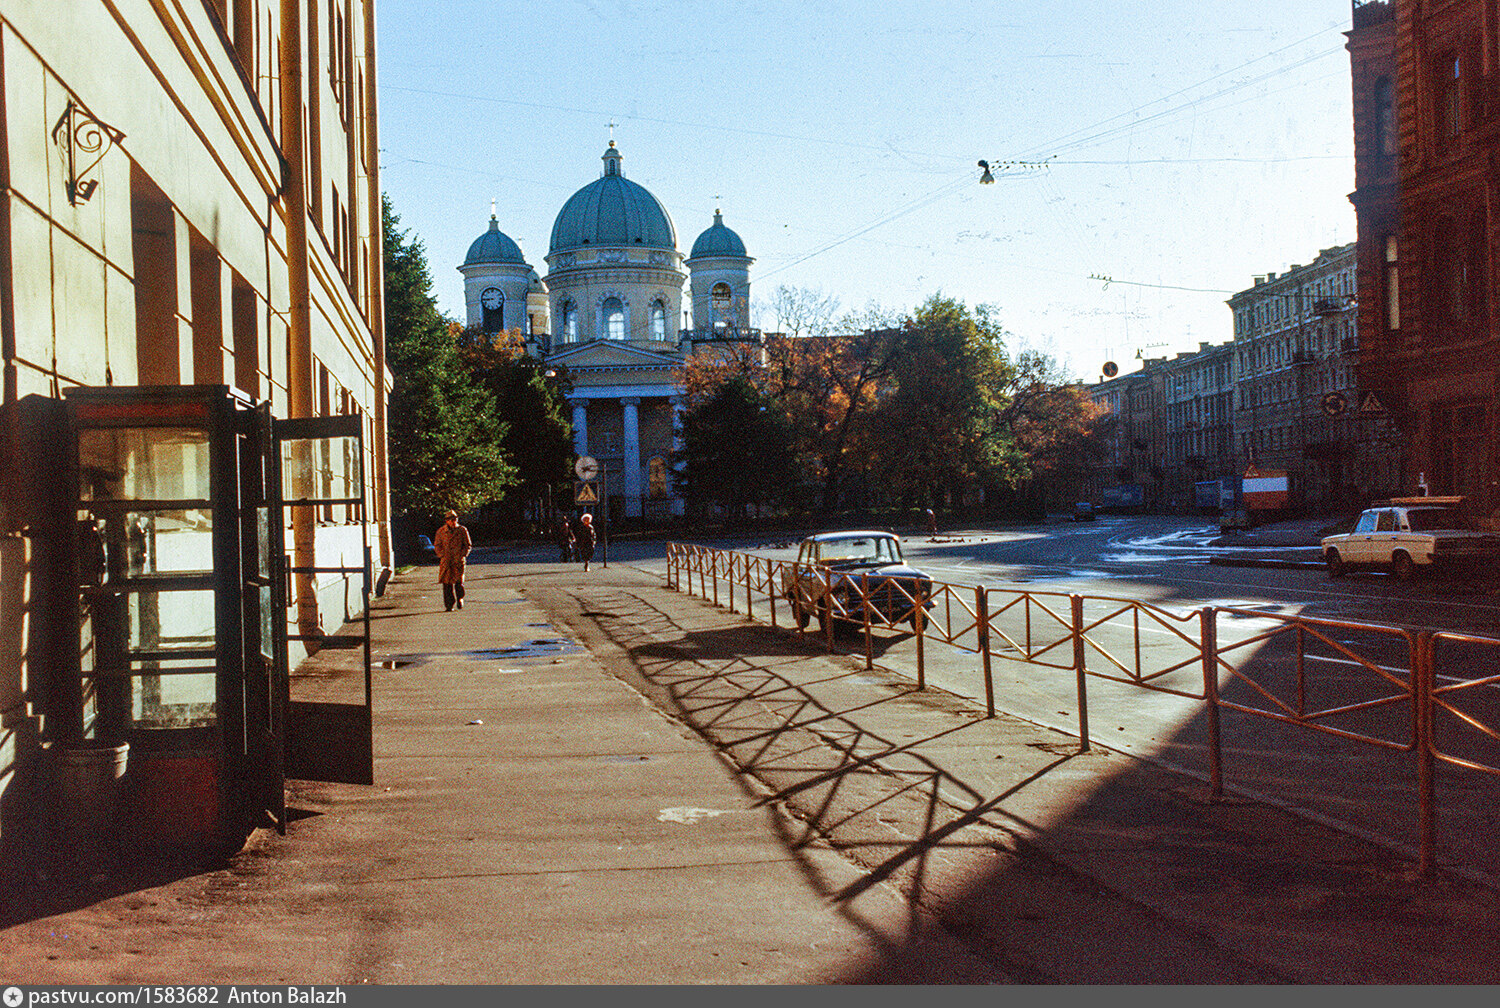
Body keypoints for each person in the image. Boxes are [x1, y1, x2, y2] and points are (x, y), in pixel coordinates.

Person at [433, 509, 472, 611]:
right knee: (447, 584)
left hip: (458, 561)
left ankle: (460, 598)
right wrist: (442, 555)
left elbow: (468, 545)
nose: (453, 522)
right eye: (451, 520)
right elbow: (437, 545)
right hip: (446, 561)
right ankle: (449, 605)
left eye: (455, 519)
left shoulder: (462, 530)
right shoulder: (441, 532)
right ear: (447, 521)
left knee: (459, 583)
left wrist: (462, 555)